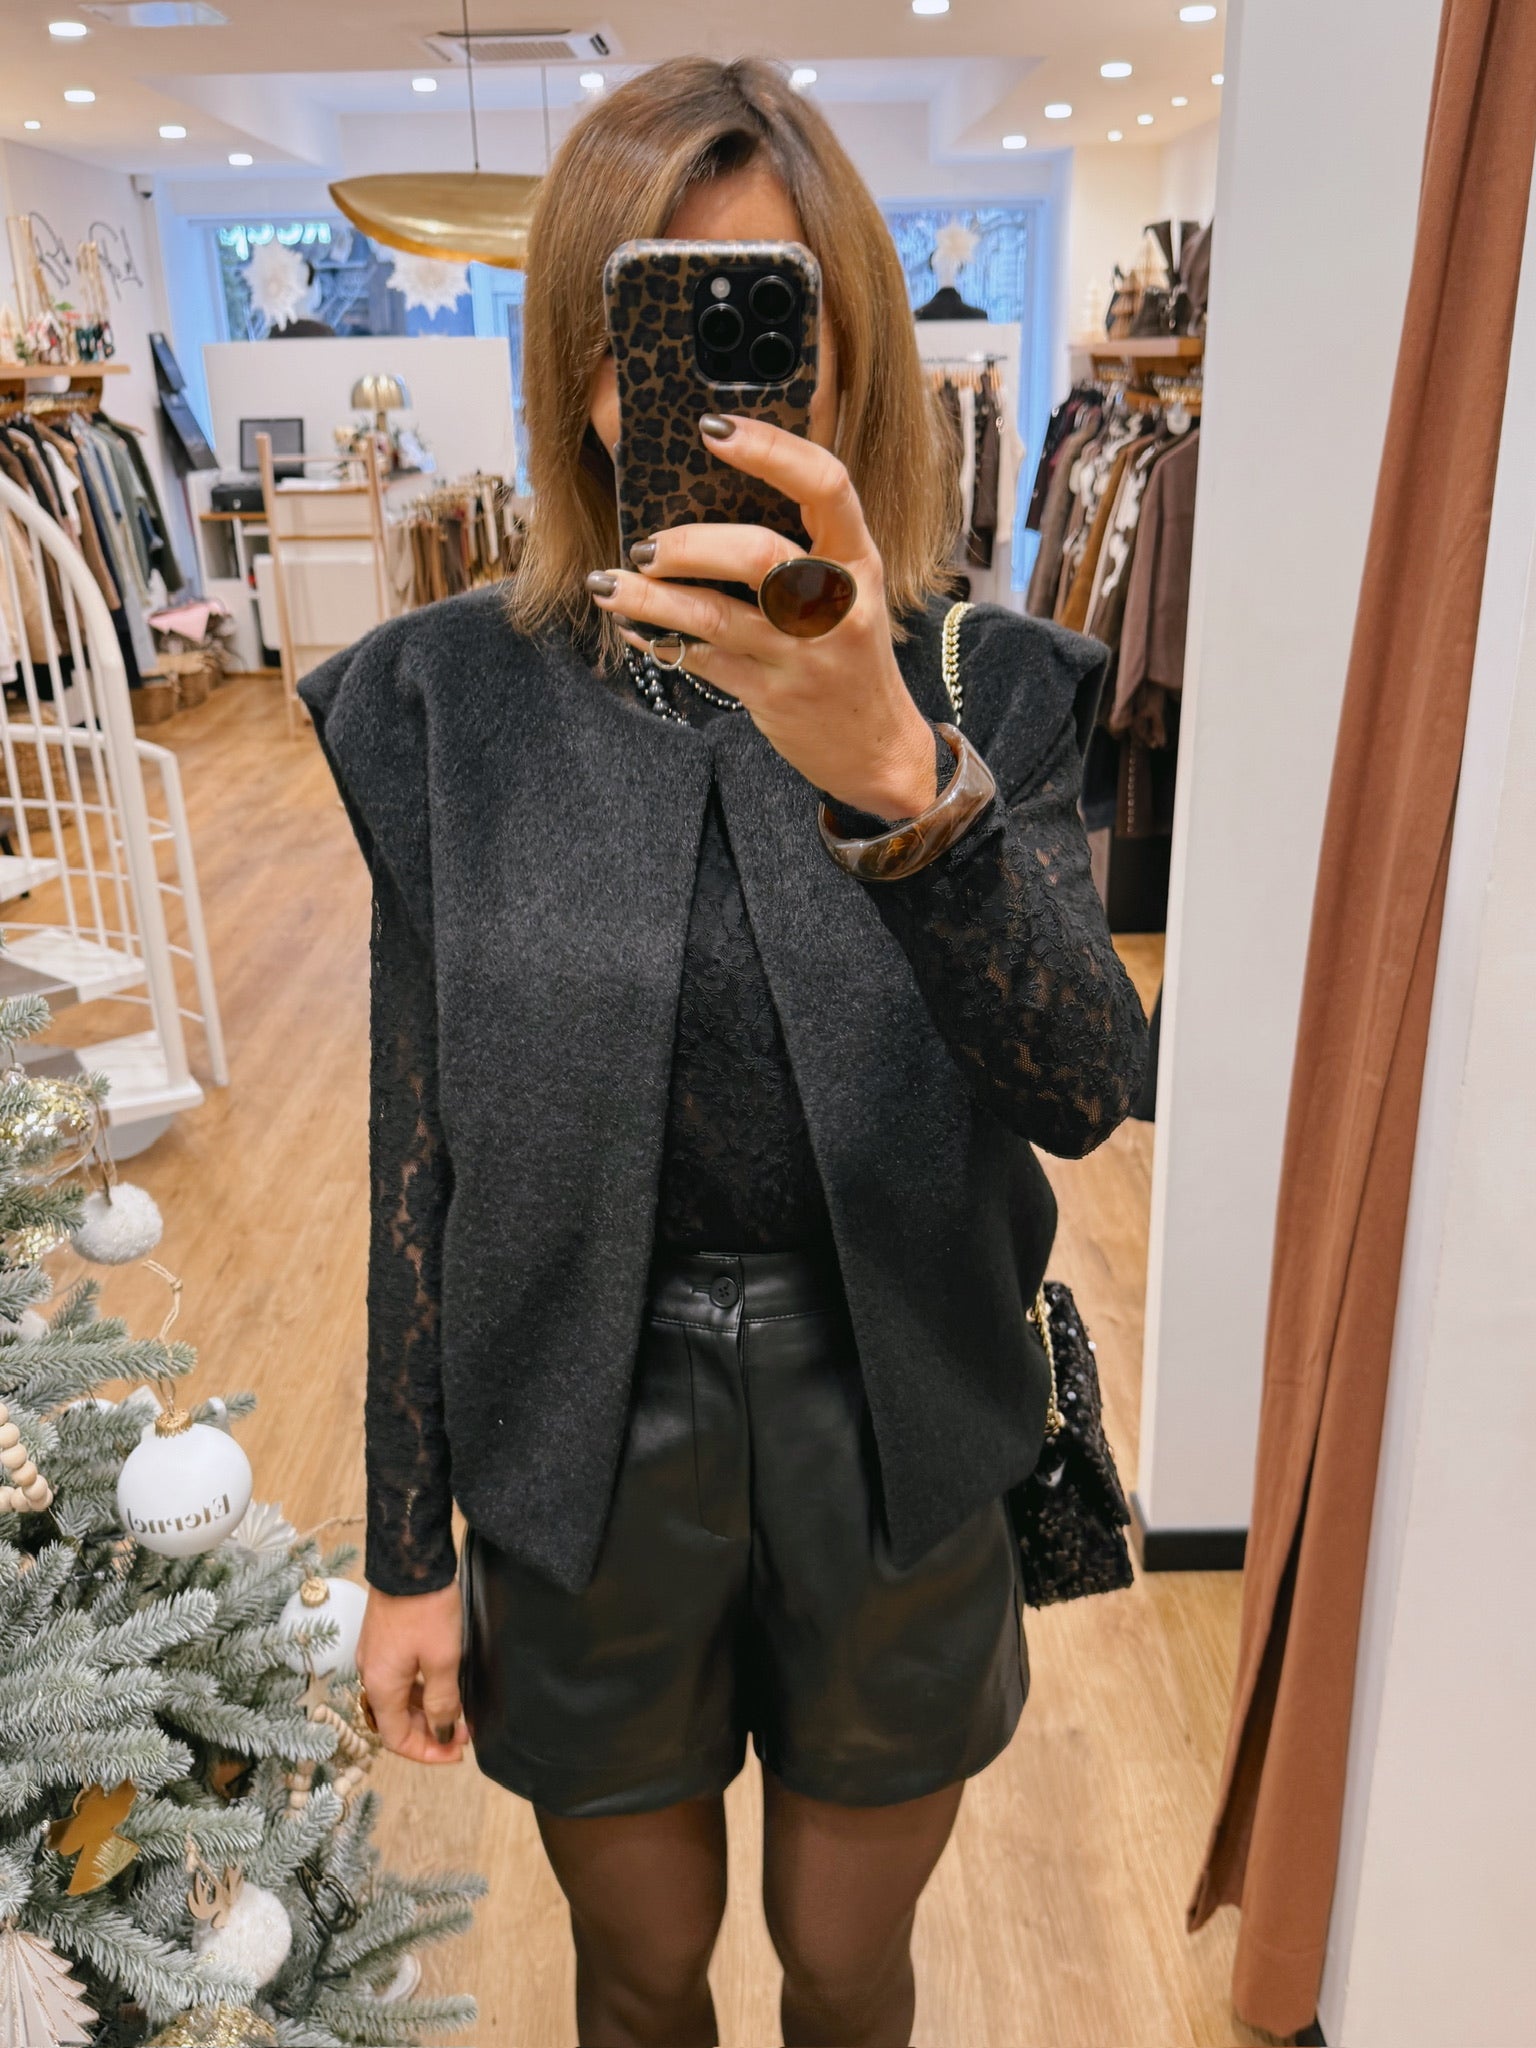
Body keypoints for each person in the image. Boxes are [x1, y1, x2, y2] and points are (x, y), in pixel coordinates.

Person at [299, 55, 1147, 2048]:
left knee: (849, 1972)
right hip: (579, 1437)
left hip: (902, 1418)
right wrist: (406, 1553)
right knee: (638, 1972)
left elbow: (1082, 1084)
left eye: (762, 318)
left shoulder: (989, 683)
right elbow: (417, 1147)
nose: (702, 387)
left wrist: (898, 776)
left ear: (848, 346)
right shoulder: (444, 703)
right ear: (574, 365)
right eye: (645, 326)